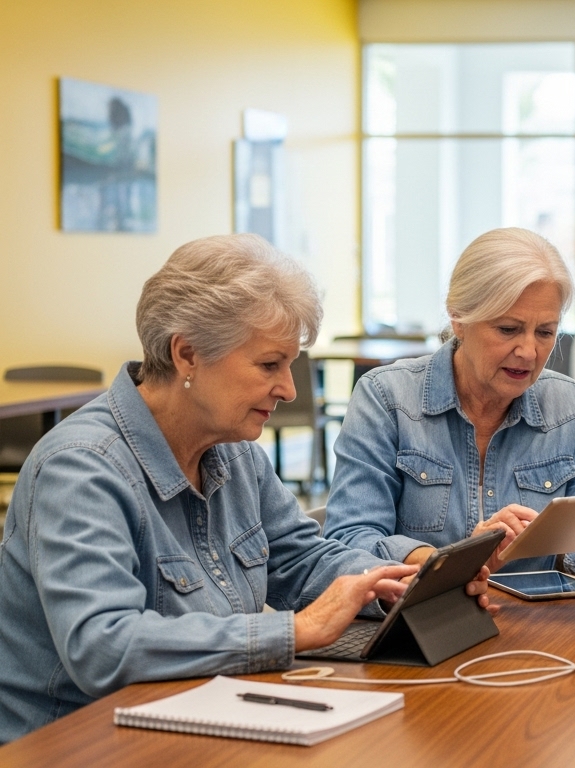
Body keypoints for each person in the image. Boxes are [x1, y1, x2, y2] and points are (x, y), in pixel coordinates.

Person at [0, 235, 493, 743]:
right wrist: (293, 631)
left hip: (192, 723)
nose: (289, 389)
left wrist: (394, 584)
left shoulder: (234, 454)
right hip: (76, 745)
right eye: (268, 365)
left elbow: (301, 560)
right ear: (187, 353)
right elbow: (102, 647)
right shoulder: (81, 469)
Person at [324, 228, 575, 580]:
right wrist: (458, 561)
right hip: (428, 620)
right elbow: (350, 541)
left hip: (537, 624)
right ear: (458, 319)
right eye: (508, 329)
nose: (529, 352)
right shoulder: (387, 398)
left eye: (545, 332)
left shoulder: (570, 407)